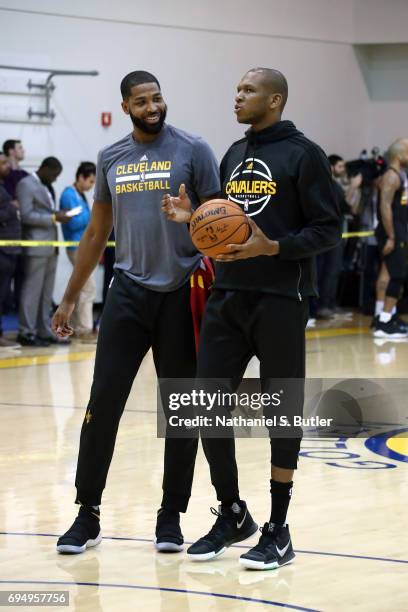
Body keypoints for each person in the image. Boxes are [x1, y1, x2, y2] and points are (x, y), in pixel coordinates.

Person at [163, 67, 340, 569]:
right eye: (236, 89)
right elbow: (226, 221)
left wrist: (276, 246)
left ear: (275, 99)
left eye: (248, 91)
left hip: (281, 297)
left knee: (279, 413)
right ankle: (233, 511)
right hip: (229, 295)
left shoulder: (304, 155)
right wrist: (192, 218)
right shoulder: (235, 154)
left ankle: (279, 530)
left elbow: (329, 228)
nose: (237, 97)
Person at [52, 70, 220, 554]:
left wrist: (194, 217)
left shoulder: (194, 149)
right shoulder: (111, 158)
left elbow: (220, 219)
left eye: (158, 98)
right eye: (142, 101)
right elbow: (94, 233)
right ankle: (87, 513)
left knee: (181, 411)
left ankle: (171, 514)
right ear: (125, 107)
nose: (153, 107)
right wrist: (69, 297)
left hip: (182, 290)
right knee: (102, 402)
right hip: (126, 291)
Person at [16, 157, 70, 347]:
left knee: (46, 293)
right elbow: (26, 214)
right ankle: (26, 331)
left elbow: (46, 212)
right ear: (45, 168)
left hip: (51, 245)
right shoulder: (26, 184)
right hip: (36, 245)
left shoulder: (47, 186)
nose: (55, 179)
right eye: (54, 174)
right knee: (32, 291)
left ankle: (43, 330)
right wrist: (53, 217)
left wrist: (58, 214)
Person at [373, 138, 408, 338]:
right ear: (398, 156)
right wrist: (392, 237)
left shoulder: (396, 175)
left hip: (394, 231)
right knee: (398, 275)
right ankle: (385, 322)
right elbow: (384, 208)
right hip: (393, 232)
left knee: (386, 273)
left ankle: (380, 316)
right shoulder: (392, 177)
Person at [60, 162, 97, 343]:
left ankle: (73, 327)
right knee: (88, 288)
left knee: (78, 287)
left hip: (83, 247)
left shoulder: (80, 195)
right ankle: (85, 330)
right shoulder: (68, 194)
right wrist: (93, 215)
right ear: (80, 177)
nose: (91, 186)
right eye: (90, 181)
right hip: (76, 247)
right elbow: (72, 223)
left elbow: (80, 218)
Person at [0, 152, 21, 348]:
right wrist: (12, 208)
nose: (8, 165)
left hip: (9, 250)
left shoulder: (3, 186)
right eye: (4, 162)